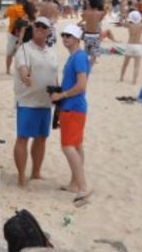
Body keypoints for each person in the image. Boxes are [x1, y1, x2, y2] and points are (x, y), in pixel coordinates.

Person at [13, 16, 59, 187]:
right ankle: (21, 176)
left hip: (46, 103)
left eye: (43, 26)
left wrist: (59, 97)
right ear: (33, 28)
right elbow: (22, 68)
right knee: (22, 138)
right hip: (26, 102)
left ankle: (36, 172)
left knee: (41, 138)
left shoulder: (52, 52)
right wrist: (25, 77)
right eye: (37, 25)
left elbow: (55, 75)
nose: (39, 28)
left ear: (49, 31)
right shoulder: (24, 49)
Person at [52, 24, 92, 203]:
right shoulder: (75, 57)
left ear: (77, 38)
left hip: (74, 106)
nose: (65, 39)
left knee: (68, 146)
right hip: (72, 106)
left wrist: (62, 94)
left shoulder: (79, 58)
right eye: (63, 35)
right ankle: (75, 183)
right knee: (76, 146)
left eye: (68, 36)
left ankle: (83, 185)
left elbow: (82, 85)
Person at [120, 10, 142, 84]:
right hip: (138, 45)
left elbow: (122, 23)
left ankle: (121, 77)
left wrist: (124, 17)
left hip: (130, 44)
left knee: (125, 64)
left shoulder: (129, 25)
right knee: (136, 66)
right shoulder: (141, 24)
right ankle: (134, 81)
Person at [4, 0, 28, 74]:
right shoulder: (25, 9)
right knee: (22, 54)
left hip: (12, 32)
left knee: (9, 54)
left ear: (16, 0)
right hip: (22, 33)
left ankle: (8, 70)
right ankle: (20, 71)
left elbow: (5, 16)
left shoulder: (11, 8)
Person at [80, 0, 107, 65]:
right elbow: (105, 11)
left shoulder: (86, 13)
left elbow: (82, 16)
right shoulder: (100, 13)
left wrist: (88, 7)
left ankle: (86, 65)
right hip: (96, 35)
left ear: (90, 4)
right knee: (94, 54)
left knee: (87, 52)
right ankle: (90, 66)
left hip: (87, 35)